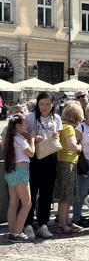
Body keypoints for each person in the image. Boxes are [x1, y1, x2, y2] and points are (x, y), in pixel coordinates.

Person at [25, 91, 62, 239]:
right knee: (31, 192)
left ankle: (43, 223)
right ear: (38, 103)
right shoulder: (31, 117)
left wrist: (54, 136)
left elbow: (57, 136)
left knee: (47, 192)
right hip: (34, 158)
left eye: (48, 104)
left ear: (53, 105)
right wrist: (33, 137)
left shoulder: (56, 118)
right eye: (42, 103)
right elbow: (22, 133)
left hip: (50, 158)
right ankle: (27, 223)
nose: (45, 107)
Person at [3, 113, 35, 242]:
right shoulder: (20, 139)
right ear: (18, 126)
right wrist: (32, 139)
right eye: (25, 123)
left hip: (11, 171)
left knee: (13, 203)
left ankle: (13, 231)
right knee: (27, 204)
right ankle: (16, 233)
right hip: (21, 171)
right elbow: (31, 153)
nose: (27, 125)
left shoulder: (10, 138)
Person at [54, 101, 84, 234]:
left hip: (63, 162)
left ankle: (66, 221)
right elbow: (72, 145)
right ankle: (62, 223)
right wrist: (80, 147)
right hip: (67, 163)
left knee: (67, 196)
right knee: (66, 196)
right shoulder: (69, 128)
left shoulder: (63, 126)